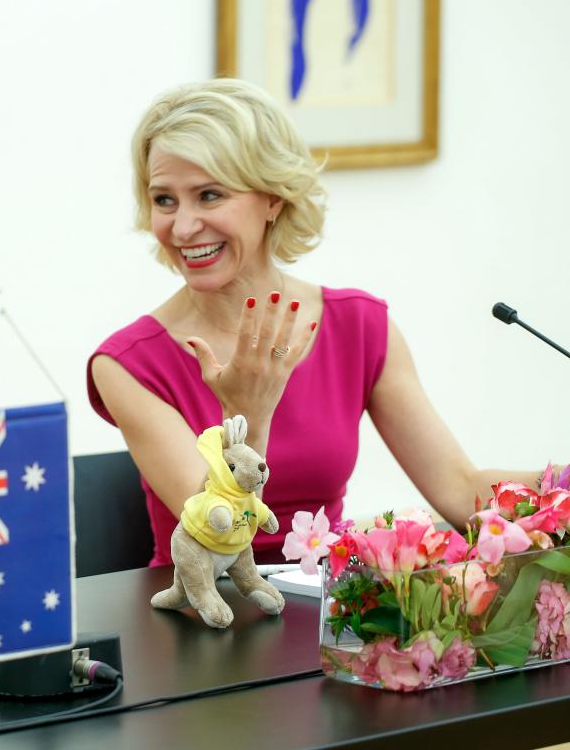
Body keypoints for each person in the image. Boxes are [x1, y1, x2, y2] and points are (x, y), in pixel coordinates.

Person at [87, 78, 540, 567]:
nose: (182, 226)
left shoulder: (360, 326)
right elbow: (219, 538)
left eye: (210, 195)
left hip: (332, 620)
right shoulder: (127, 364)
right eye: (164, 200)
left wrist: (559, 486)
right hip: (202, 619)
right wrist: (250, 419)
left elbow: (460, 490)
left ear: (273, 199)